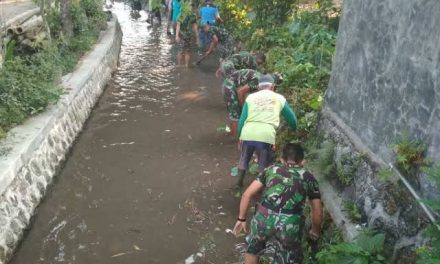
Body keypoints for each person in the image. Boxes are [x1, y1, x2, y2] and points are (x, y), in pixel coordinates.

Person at [232, 143, 323, 264]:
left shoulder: (271, 170)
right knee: (285, 256)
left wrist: (241, 219)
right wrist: (315, 231)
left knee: (253, 250)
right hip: (290, 223)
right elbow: (317, 211)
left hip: (264, 217)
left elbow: (247, 194)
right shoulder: (308, 177)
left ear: (281, 159)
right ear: (303, 161)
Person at [236, 74, 297, 188]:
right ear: (273, 86)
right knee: (263, 165)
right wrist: (294, 129)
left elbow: (241, 121)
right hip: (266, 135)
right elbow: (292, 119)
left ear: (258, 87)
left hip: (248, 132)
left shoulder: (250, 98)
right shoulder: (279, 98)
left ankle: (239, 183)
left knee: (244, 159)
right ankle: (260, 189)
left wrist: (239, 136)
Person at [222, 69, 262, 137]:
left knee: (236, 113)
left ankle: (234, 133)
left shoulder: (262, 80)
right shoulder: (258, 81)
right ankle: (235, 138)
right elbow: (241, 91)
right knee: (236, 113)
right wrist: (243, 107)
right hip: (229, 86)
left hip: (231, 85)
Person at [175, 1, 199, 67]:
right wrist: (177, 35)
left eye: (191, 6)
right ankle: (183, 65)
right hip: (184, 35)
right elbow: (178, 25)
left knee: (184, 51)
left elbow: (195, 27)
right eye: (190, 6)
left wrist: (197, 37)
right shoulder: (188, 15)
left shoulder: (183, 14)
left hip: (186, 35)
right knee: (183, 51)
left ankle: (183, 65)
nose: (191, 7)